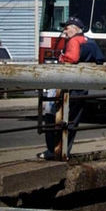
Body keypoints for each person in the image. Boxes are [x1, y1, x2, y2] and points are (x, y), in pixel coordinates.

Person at [39, 17, 89, 160]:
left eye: (67, 28)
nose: (64, 31)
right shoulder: (87, 41)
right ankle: (64, 150)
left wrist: (62, 58)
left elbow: (71, 59)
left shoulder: (74, 41)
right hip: (81, 87)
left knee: (53, 117)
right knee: (72, 121)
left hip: (68, 87)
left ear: (75, 29)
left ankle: (54, 151)